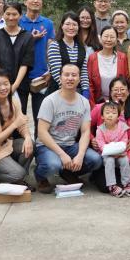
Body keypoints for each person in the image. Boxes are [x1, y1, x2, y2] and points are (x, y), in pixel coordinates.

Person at [34, 64, 103, 193]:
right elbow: (42, 132)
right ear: (60, 78)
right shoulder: (50, 101)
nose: (70, 78)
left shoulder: (84, 102)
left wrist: (80, 155)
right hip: (48, 146)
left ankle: (67, 172)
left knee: (96, 160)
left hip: (70, 145)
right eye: (66, 75)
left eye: (74, 75)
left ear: (79, 79)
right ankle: (40, 176)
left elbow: (85, 131)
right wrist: (62, 154)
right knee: (53, 165)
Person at [0, 69, 34, 187]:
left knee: (31, 144)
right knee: (19, 173)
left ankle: (17, 178)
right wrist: (14, 125)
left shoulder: (14, 101)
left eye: (6, 83)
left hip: (8, 145)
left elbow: (22, 124)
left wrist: (28, 137)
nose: (3, 88)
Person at [90, 77, 130, 190]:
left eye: (122, 89)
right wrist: (92, 138)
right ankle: (98, 174)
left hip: (122, 152)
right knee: (105, 187)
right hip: (104, 153)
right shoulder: (100, 108)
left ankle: (122, 176)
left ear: (128, 92)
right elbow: (85, 126)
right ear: (110, 92)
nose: (119, 92)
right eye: (115, 90)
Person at [0, 1, 35, 100]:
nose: (11, 17)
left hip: (21, 86)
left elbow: (25, 64)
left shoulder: (27, 36)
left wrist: (14, 86)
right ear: (3, 15)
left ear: (20, 16)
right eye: (8, 14)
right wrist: (3, 85)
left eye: (14, 14)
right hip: (0, 87)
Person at [19, 0, 55, 117]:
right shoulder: (18, 21)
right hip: (20, 75)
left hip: (41, 75)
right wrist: (30, 39)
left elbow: (51, 49)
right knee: (19, 114)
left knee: (41, 116)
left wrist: (50, 71)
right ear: (25, 2)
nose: (36, 1)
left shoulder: (48, 23)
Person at [96, 101, 130, 197]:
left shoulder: (122, 127)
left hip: (121, 153)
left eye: (114, 113)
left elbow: (124, 141)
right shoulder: (100, 129)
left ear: (118, 117)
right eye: (107, 113)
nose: (110, 115)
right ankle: (112, 186)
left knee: (124, 160)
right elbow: (101, 145)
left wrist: (119, 151)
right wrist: (112, 152)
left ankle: (127, 184)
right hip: (107, 154)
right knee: (109, 160)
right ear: (102, 116)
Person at [47, 12, 91, 100]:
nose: (71, 27)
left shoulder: (82, 47)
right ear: (62, 26)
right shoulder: (55, 46)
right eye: (67, 24)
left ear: (78, 27)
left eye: (74, 25)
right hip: (58, 91)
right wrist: (69, 92)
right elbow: (57, 73)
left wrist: (85, 90)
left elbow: (83, 72)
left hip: (78, 91)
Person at [88, 25, 130, 105]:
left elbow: (127, 81)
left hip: (119, 102)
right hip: (98, 102)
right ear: (100, 38)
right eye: (106, 36)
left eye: (112, 37)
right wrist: (93, 106)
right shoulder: (92, 58)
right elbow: (90, 84)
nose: (109, 39)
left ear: (116, 39)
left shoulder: (122, 57)